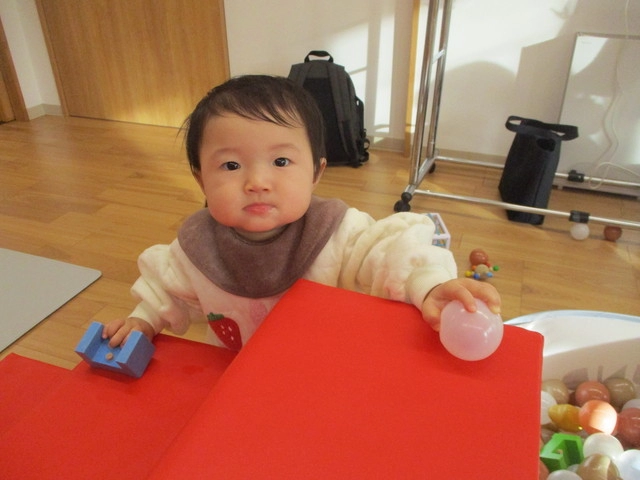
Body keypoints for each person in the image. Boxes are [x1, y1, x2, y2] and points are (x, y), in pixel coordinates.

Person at [103, 75, 501, 351]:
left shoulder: (336, 231)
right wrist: (143, 320)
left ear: (316, 172)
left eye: (280, 162)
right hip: (237, 379)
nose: (257, 182)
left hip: (325, 369)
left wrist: (429, 285)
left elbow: (391, 251)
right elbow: (165, 288)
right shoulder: (197, 246)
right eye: (231, 165)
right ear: (200, 179)